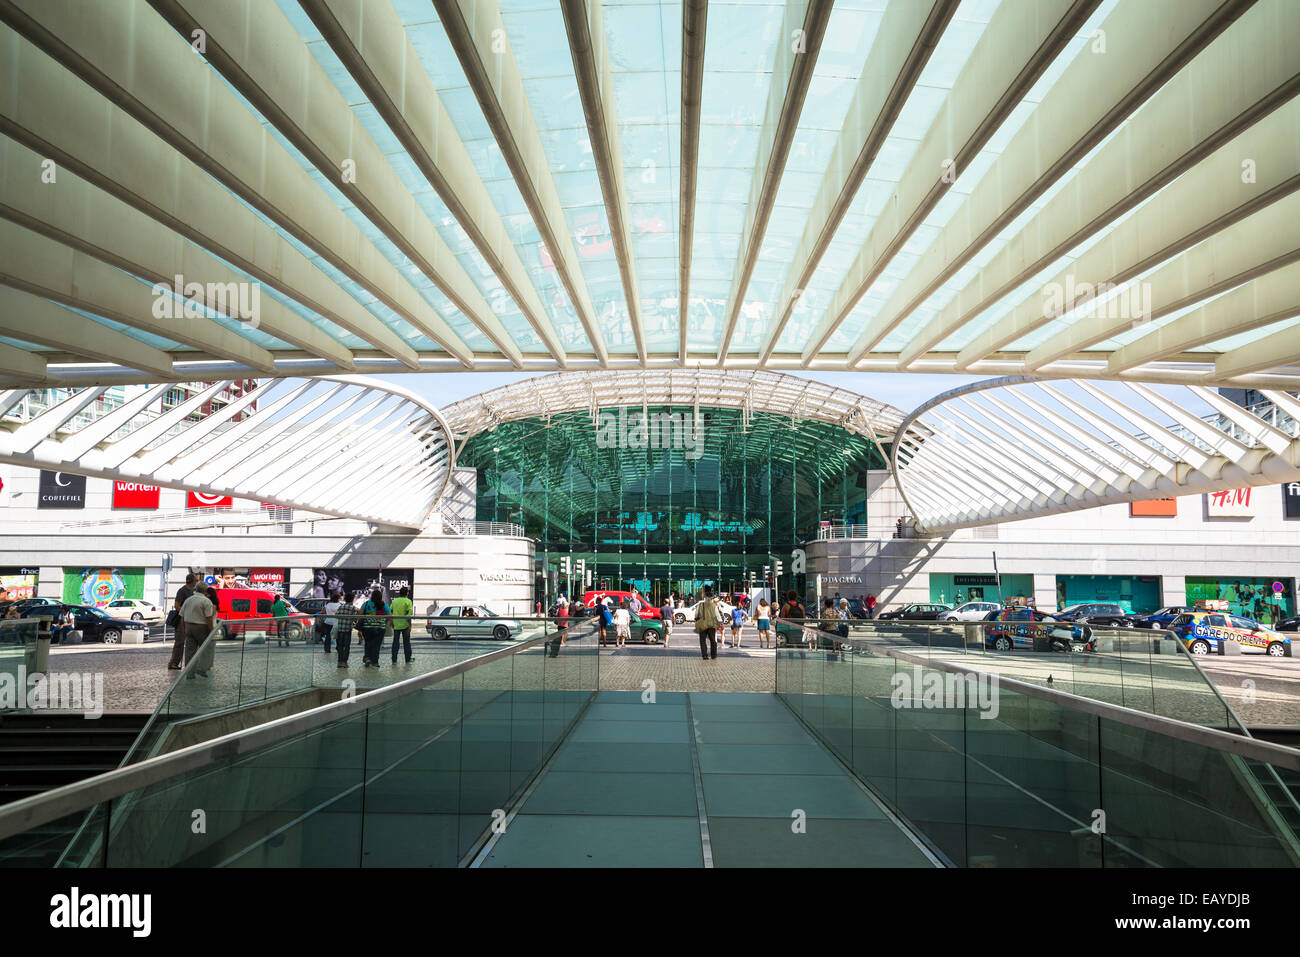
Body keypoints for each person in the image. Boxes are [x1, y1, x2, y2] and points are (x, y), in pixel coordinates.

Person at [179, 583, 216, 677]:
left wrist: (183, 628)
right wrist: (212, 630)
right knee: (205, 649)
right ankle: (201, 669)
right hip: (201, 627)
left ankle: (189, 673)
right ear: (205, 590)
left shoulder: (188, 600)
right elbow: (208, 618)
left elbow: (182, 616)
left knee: (189, 651)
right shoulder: (206, 601)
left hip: (188, 626)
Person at [167, 573, 197, 670]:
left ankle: (179, 663)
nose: (196, 582)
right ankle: (173, 663)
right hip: (181, 620)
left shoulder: (192, 591)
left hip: (188, 619)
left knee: (187, 642)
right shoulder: (182, 591)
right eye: (195, 580)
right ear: (192, 581)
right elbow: (177, 605)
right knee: (179, 642)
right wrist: (185, 613)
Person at [359, 588, 387, 668]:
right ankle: (375, 662)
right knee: (377, 646)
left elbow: (360, 613)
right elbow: (389, 615)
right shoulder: (383, 605)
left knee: (368, 643)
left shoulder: (367, 603)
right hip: (380, 628)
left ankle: (367, 658)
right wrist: (384, 621)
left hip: (367, 627)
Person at [695, 587, 720, 660]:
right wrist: (720, 622)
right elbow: (717, 615)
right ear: (711, 597)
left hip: (702, 624)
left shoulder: (700, 604)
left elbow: (696, 614)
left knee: (702, 640)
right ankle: (713, 655)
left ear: (705, 597)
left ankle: (705, 655)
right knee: (713, 640)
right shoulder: (713, 605)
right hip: (711, 624)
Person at [390, 586, 414, 664]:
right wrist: (410, 625)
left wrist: (391, 621)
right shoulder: (408, 601)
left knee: (395, 643)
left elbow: (390, 611)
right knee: (406, 643)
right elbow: (408, 614)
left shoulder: (394, 601)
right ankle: (408, 659)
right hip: (405, 625)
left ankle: (394, 660)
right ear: (407, 593)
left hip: (396, 625)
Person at [335, 591, 355, 667]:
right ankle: (344, 662)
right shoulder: (353, 608)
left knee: (340, 646)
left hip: (340, 629)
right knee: (347, 647)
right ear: (352, 599)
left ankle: (339, 662)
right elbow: (358, 615)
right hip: (347, 630)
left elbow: (336, 615)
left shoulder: (341, 606)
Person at [320, 591, 340, 656]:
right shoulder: (339, 605)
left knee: (328, 636)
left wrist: (328, 613)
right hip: (336, 622)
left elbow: (322, 612)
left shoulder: (328, 604)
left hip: (328, 622)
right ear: (337, 599)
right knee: (337, 636)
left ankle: (327, 649)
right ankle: (338, 648)